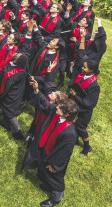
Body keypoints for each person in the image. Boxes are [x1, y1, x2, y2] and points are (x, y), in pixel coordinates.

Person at [24, 76, 79, 207]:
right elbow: (45, 103)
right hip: (45, 150)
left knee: (56, 180)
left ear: (66, 114)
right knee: (45, 173)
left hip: (54, 159)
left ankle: (56, 198)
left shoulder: (70, 132)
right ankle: (49, 186)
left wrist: (55, 166)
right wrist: (37, 90)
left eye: (59, 108)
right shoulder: (56, 115)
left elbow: (64, 153)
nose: (56, 108)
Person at [67, 57, 100, 156]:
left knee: (81, 129)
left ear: (91, 70)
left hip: (83, 112)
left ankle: (87, 147)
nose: (82, 68)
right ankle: (75, 141)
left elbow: (90, 103)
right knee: (73, 125)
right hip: (75, 106)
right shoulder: (81, 76)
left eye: (85, 67)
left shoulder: (95, 86)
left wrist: (75, 95)